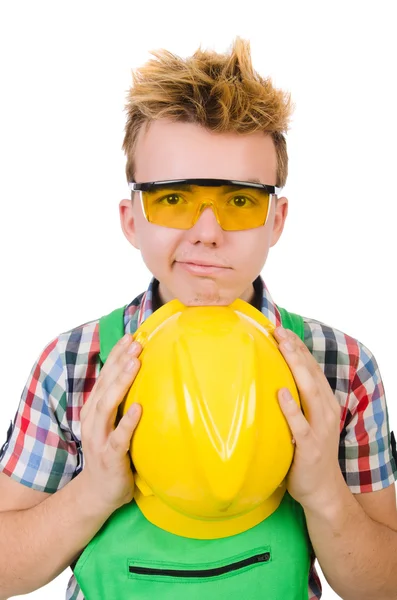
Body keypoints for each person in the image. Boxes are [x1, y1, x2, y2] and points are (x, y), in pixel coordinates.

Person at [0, 37, 396, 600]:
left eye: (239, 201)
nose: (207, 232)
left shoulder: (343, 368)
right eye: (173, 199)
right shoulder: (72, 363)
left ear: (276, 220)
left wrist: (324, 493)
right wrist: (94, 493)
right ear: (132, 220)